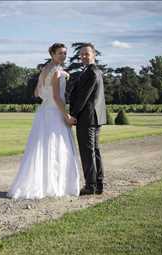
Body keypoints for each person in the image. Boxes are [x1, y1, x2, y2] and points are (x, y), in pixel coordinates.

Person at [7, 43, 80, 199]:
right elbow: (56, 96)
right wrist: (66, 115)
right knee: (56, 146)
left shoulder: (46, 70)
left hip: (44, 112)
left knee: (42, 147)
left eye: (65, 53)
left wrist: (63, 75)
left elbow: (37, 93)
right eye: (60, 53)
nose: (63, 56)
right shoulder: (55, 71)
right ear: (52, 54)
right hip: (54, 112)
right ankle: (54, 185)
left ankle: (41, 184)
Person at [69, 43, 107, 195]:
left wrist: (73, 115)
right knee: (94, 151)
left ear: (94, 55)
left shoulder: (91, 72)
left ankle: (90, 186)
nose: (84, 56)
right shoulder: (94, 71)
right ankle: (98, 184)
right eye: (82, 54)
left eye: (87, 54)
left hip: (87, 118)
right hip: (95, 118)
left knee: (87, 152)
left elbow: (83, 98)